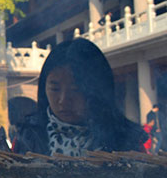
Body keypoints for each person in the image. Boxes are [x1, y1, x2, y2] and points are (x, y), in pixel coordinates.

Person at [15, 38, 146, 156]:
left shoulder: (125, 139)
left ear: (97, 90)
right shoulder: (28, 137)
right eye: (54, 89)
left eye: (75, 90)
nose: (63, 100)